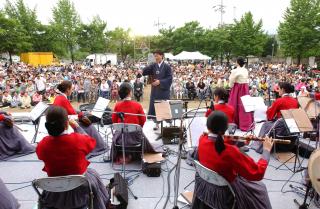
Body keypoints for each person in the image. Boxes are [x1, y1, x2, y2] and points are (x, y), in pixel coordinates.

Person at [192, 111, 273, 209]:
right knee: (260, 188)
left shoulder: (202, 139)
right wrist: (266, 150)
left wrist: (242, 142)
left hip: (206, 186)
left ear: (208, 127)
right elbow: (257, 173)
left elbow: (218, 141)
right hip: (226, 191)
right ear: (226, 128)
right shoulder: (230, 151)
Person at [36, 106, 109, 209]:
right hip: (80, 185)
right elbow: (91, 143)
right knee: (93, 174)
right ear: (66, 123)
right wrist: (76, 127)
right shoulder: (78, 140)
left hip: (55, 187)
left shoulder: (43, 144)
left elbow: (41, 155)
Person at [53, 80, 107, 157]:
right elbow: (73, 114)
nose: (72, 90)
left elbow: (70, 110)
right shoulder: (63, 99)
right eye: (71, 89)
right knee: (89, 126)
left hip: (62, 121)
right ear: (68, 89)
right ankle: (98, 147)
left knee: (85, 121)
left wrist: (82, 113)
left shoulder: (59, 97)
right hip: (64, 123)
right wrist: (84, 114)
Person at [111, 82, 156, 163]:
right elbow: (143, 120)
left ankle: (124, 154)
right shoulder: (137, 105)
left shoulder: (117, 105)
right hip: (135, 138)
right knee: (139, 133)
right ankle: (135, 154)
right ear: (129, 92)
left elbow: (114, 121)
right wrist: (136, 128)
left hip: (120, 138)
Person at [252, 82, 299, 153]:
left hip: (281, 127)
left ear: (283, 89)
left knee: (265, 125)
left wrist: (269, 109)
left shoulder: (279, 101)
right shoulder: (295, 101)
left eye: (279, 89)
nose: (278, 90)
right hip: (293, 127)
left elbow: (270, 116)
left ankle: (260, 145)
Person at [143, 50, 173, 130]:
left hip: (163, 90)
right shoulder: (153, 65)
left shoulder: (167, 66)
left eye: (156, 56)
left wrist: (160, 81)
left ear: (161, 56)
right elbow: (145, 72)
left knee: (164, 106)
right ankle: (156, 123)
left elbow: (170, 78)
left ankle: (169, 122)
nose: (155, 57)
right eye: (154, 56)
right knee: (155, 106)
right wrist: (148, 65)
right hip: (155, 90)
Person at [228, 57, 253, 131]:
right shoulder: (245, 70)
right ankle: (246, 123)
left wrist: (231, 86)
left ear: (237, 62)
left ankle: (235, 123)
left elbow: (231, 82)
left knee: (235, 104)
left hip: (238, 88)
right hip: (245, 88)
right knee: (244, 106)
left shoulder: (235, 71)